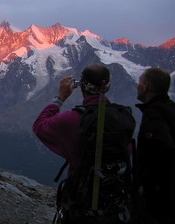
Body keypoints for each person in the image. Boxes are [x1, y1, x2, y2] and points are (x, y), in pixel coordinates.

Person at [33, 64, 135, 224]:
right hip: (116, 204)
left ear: (81, 86)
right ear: (107, 86)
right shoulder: (123, 118)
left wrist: (59, 99)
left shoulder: (72, 119)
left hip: (81, 205)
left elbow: (39, 126)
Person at [134, 67, 175, 224]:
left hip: (158, 200)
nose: (137, 86)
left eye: (140, 82)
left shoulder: (154, 114)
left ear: (146, 86)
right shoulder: (170, 108)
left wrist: (149, 186)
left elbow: (162, 147)